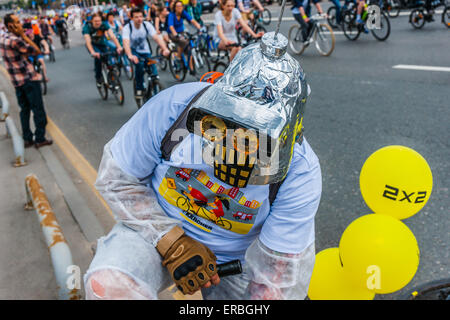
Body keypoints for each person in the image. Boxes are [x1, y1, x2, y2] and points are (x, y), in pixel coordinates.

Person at [83, 31, 321, 300]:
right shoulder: (176, 108)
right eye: (231, 125)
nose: (240, 145)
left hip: (238, 261)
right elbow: (117, 178)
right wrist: (171, 242)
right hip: (153, 230)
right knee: (107, 287)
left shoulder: (299, 170)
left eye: (257, 136)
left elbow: (276, 277)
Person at [0, 14, 53, 148]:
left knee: (24, 110)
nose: (21, 24)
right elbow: (35, 50)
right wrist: (23, 36)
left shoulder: (3, 38)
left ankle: (27, 138)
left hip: (17, 82)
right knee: (38, 110)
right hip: (28, 79)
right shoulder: (15, 40)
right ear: (10, 25)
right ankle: (40, 138)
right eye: (17, 22)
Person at [122, 7, 170, 100]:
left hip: (146, 51)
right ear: (131, 18)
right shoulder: (127, 28)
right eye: (136, 17)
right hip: (134, 52)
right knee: (139, 65)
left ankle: (156, 93)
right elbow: (126, 42)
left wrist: (165, 49)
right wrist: (130, 55)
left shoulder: (146, 25)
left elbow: (156, 37)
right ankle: (139, 88)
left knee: (154, 72)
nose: (139, 19)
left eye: (141, 16)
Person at [83, 13, 123, 88]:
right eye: (96, 21)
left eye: (99, 21)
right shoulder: (87, 27)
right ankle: (98, 78)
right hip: (92, 45)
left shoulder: (104, 25)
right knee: (98, 58)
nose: (98, 23)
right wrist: (93, 52)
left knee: (110, 56)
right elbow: (88, 41)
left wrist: (119, 47)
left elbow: (112, 36)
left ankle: (112, 74)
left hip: (102, 44)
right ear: (92, 21)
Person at [167, 0, 202, 69]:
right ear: (175, 8)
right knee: (182, 41)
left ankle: (191, 67)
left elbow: (192, 20)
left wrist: (199, 26)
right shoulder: (171, 15)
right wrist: (175, 34)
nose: (179, 8)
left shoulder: (183, 13)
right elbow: (171, 26)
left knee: (190, 47)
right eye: (178, 6)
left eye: (181, 6)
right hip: (173, 34)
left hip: (182, 32)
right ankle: (178, 58)